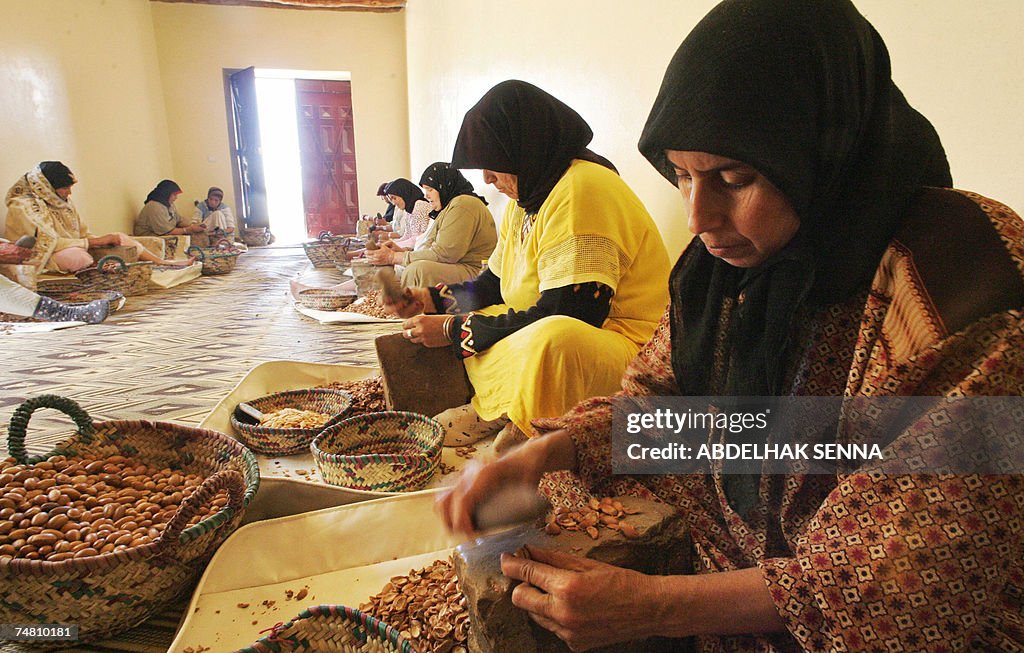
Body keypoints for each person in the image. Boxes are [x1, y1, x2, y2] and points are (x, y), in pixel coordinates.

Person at [438, 1, 1024, 651]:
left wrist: (656, 607)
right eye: (682, 175)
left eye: (732, 177)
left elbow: (897, 583)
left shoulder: (964, 285)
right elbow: (676, 412)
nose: (697, 216)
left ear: (820, 145)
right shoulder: (727, 269)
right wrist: (554, 451)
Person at [386, 82, 670, 447]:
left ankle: (529, 425)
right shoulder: (526, 201)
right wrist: (431, 299)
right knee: (499, 316)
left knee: (552, 339)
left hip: (626, 348)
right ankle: (499, 407)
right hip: (552, 324)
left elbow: (575, 313)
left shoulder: (583, 188)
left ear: (525, 148)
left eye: (494, 163)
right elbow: (490, 285)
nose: (486, 178)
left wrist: (452, 331)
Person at [5, 162, 187, 272]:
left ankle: (163, 262)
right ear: (48, 186)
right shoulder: (24, 205)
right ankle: (94, 278)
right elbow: (47, 243)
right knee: (78, 257)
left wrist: (102, 240)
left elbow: (83, 232)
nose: (69, 193)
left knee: (120, 237)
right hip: (44, 257)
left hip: (76, 246)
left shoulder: (62, 201)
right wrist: (92, 244)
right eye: (65, 188)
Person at [367, 162, 497, 289]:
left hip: (476, 271)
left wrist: (393, 257)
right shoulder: (448, 207)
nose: (426, 195)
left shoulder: (463, 204)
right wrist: (400, 251)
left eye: (430, 189)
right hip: (458, 265)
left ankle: (411, 307)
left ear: (444, 185)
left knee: (418, 270)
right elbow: (433, 247)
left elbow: (445, 254)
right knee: (407, 268)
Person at [0, 238, 120, 323]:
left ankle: (55, 310)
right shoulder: (23, 204)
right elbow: (46, 238)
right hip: (51, 254)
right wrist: (90, 242)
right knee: (75, 256)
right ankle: (62, 313)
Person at [134, 179, 205, 239]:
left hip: (164, 233)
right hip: (150, 237)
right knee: (191, 238)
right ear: (166, 193)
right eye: (174, 195)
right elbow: (166, 232)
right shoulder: (155, 207)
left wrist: (193, 225)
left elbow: (179, 220)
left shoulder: (168, 204)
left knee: (199, 234)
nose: (176, 198)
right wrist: (188, 230)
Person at [383, 177, 432, 250]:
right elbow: (407, 236)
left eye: (394, 198)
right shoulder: (410, 209)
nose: (393, 203)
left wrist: (390, 246)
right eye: (391, 199)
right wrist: (388, 244)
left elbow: (417, 239)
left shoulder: (420, 205)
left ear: (403, 193)